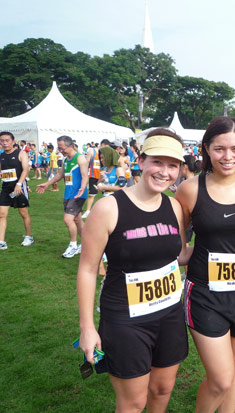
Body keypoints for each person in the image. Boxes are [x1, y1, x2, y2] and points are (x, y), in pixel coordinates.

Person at [77, 128, 189, 412]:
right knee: (133, 402)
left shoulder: (174, 207)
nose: (164, 172)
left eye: (173, 165)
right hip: (126, 319)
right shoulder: (108, 208)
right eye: (157, 162)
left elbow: (178, 255)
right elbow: (89, 270)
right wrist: (87, 328)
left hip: (169, 313)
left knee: (162, 390)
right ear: (141, 161)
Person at [176, 116, 235, 412]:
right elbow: (178, 247)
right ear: (206, 149)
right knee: (221, 379)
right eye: (219, 149)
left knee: (232, 369)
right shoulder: (189, 190)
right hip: (205, 294)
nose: (228, 157)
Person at [36, 135, 89, 258]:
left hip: (78, 194)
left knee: (68, 219)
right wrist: (47, 183)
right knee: (77, 220)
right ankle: (89, 242)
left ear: (71, 146)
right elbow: (60, 175)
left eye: (62, 148)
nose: (60, 150)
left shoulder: (80, 159)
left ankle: (73, 246)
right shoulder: (65, 160)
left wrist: (82, 187)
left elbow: (85, 176)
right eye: (59, 148)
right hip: (68, 194)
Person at [0, 131, 34, 249]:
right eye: (2, 141)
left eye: (7, 140)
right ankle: (1, 241)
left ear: (13, 141)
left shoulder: (21, 153)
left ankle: (29, 236)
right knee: (2, 214)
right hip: (5, 189)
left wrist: (19, 184)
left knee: (23, 213)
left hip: (19, 188)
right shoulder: (1, 156)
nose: (4, 143)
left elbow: (26, 169)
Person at [82, 142, 103, 219]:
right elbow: (86, 162)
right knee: (91, 194)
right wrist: (85, 174)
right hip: (94, 176)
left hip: (103, 177)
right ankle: (88, 211)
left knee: (108, 194)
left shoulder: (106, 153)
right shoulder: (92, 151)